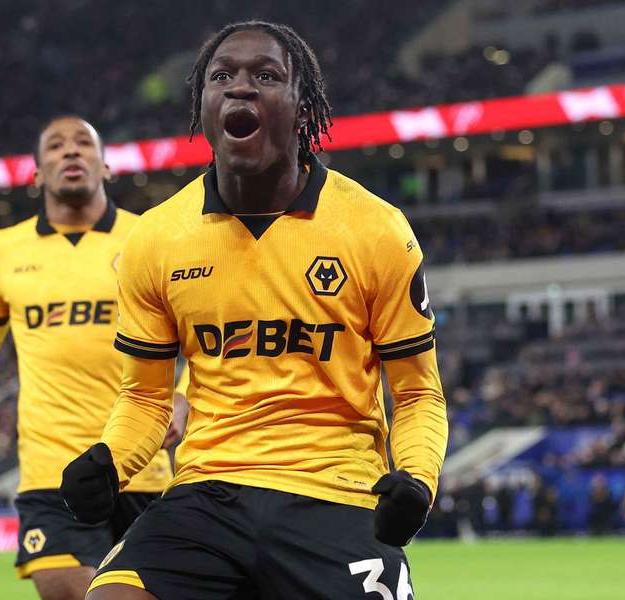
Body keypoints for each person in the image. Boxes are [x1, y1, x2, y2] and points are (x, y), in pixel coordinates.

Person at [60, 21, 448, 600]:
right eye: (222, 77)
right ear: (203, 108)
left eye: (266, 76)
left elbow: (417, 393)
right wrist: (110, 462)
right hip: (206, 494)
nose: (240, 87)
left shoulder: (376, 230)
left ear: (302, 107)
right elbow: (145, 397)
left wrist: (416, 479)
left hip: (336, 492)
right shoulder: (157, 239)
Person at [0, 116, 182, 600]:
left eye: (84, 143)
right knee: (70, 590)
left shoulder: (149, 239)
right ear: (37, 174)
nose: (70, 151)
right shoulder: (3, 251)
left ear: (105, 166)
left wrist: (184, 396)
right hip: (52, 469)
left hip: (140, 465)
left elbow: (201, 336)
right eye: (56, 146)